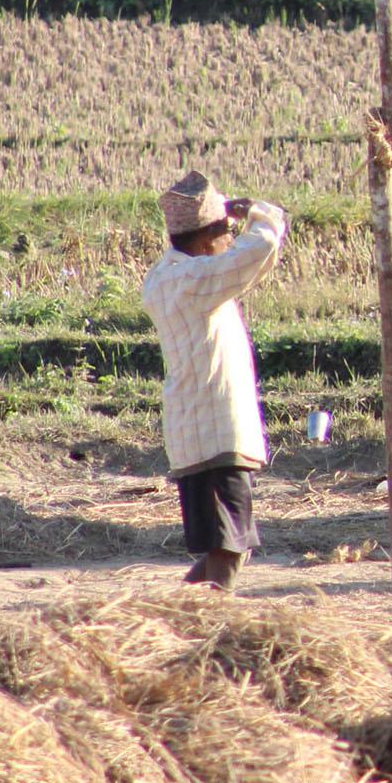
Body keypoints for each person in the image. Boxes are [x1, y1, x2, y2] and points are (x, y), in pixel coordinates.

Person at [142, 171, 288, 591]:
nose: (230, 240)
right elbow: (260, 247)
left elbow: (245, 260)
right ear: (207, 242)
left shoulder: (165, 278)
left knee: (227, 546)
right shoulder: (194, 281)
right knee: (229, 549)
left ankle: (176, 613)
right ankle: (211, 621)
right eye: (226, 233)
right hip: (216, 431)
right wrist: (257, 212)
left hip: (197, 433)